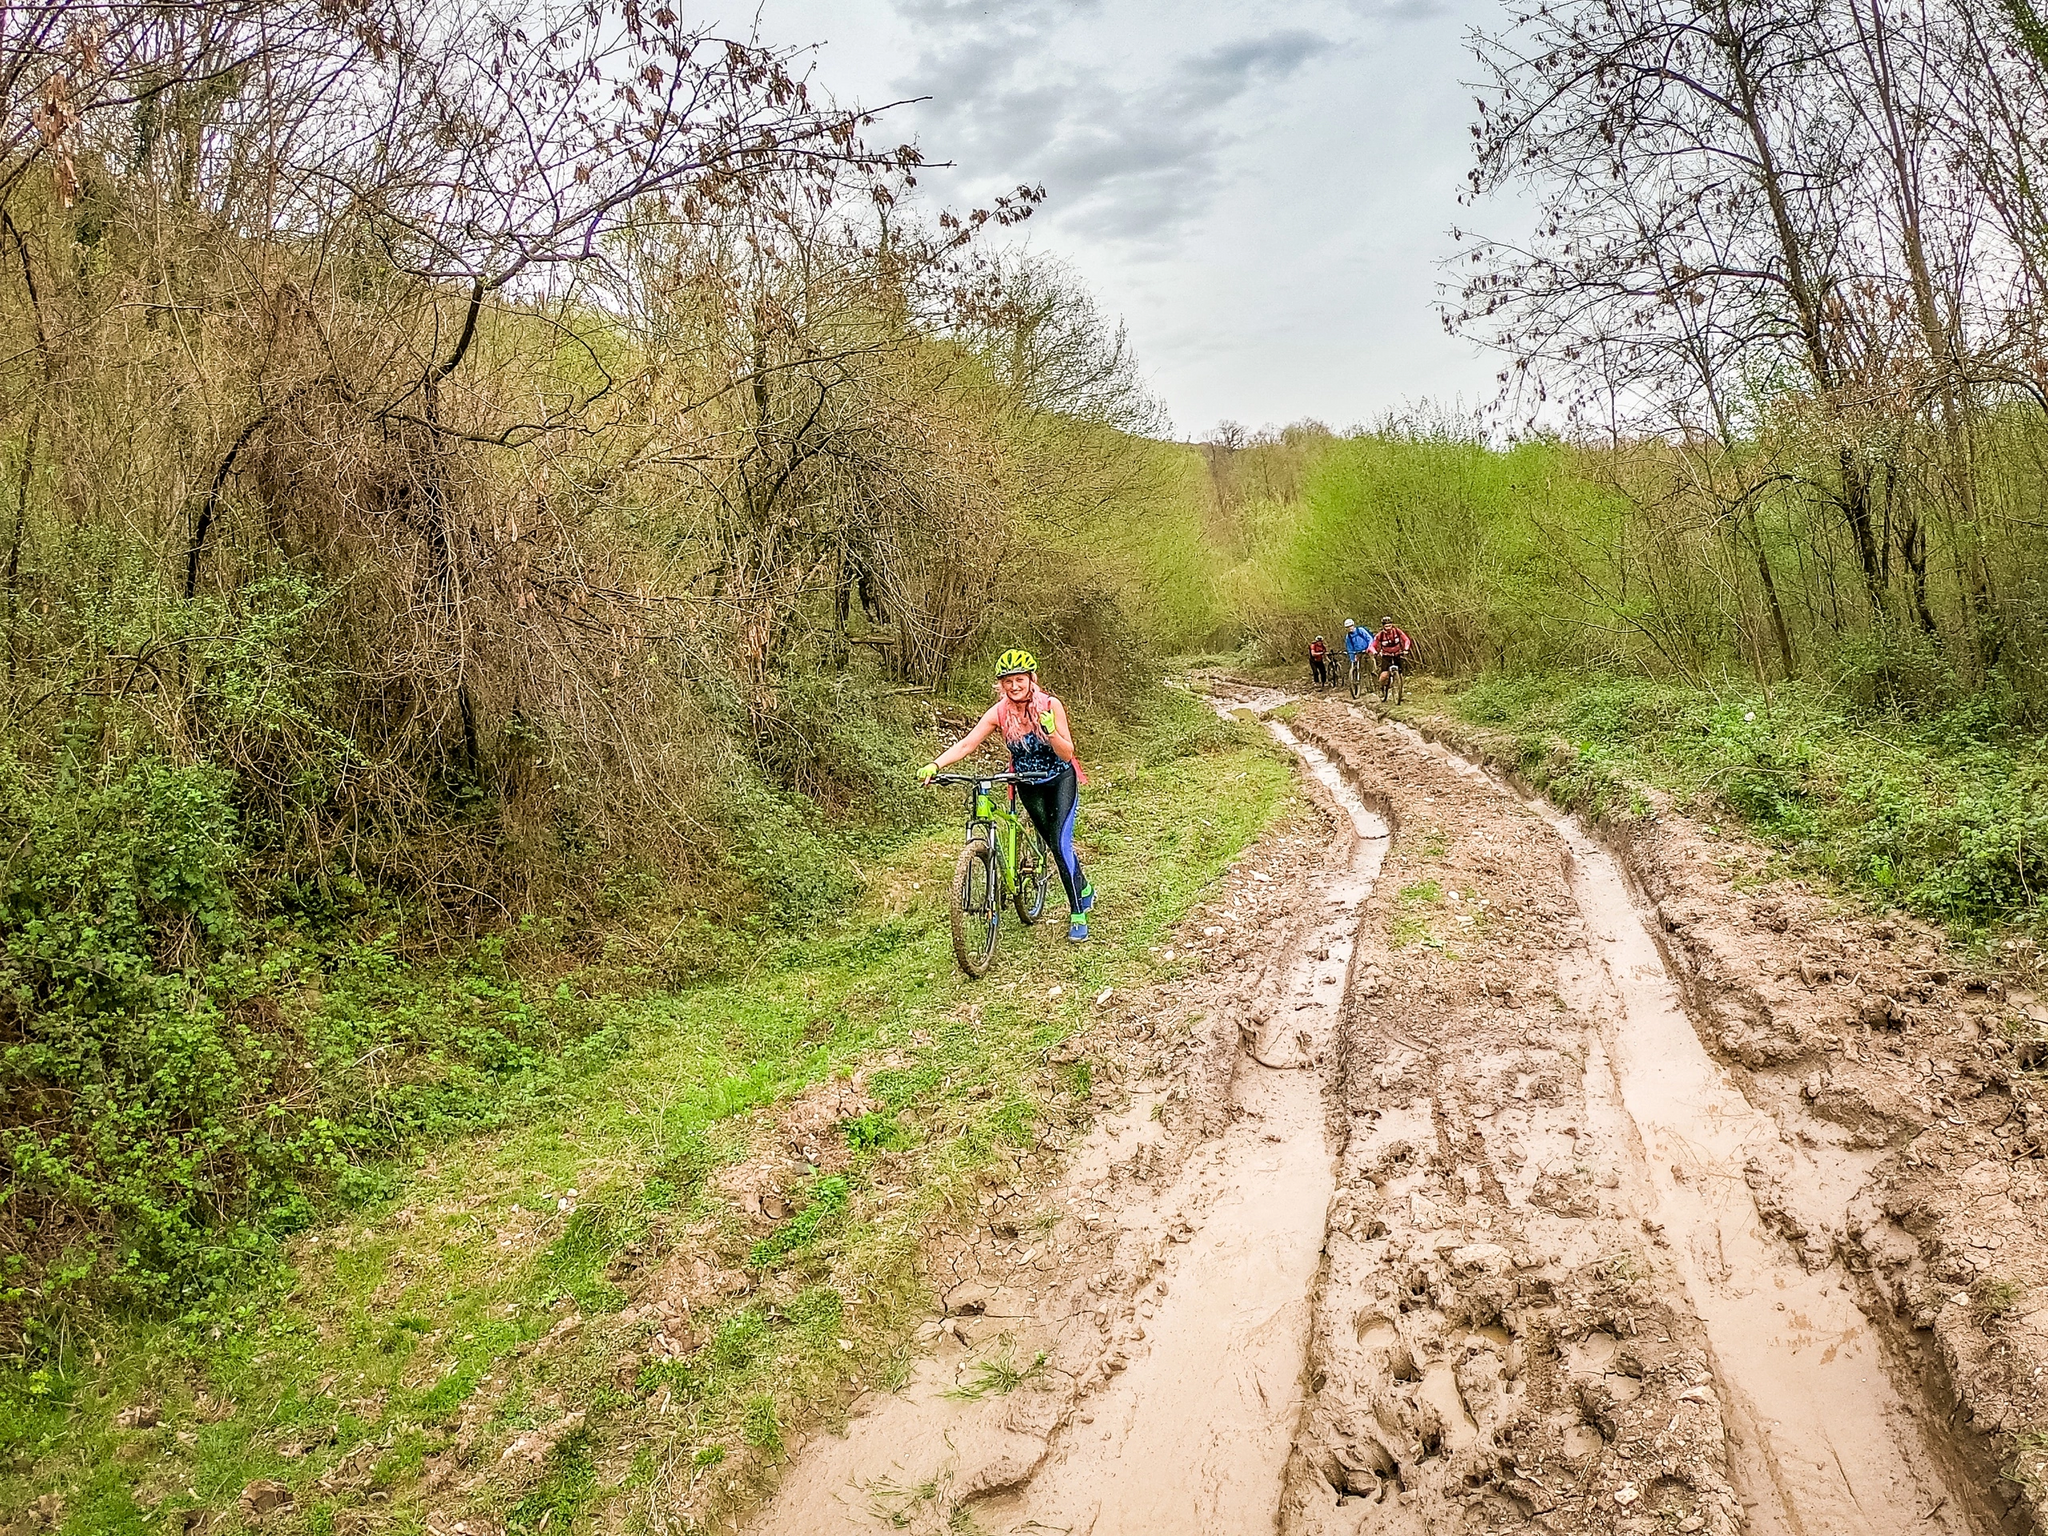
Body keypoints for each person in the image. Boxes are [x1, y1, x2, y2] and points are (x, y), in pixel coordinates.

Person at [919, 649, 1096, 942]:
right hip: (1027, 784)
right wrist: (936, 764)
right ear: (1002, 685)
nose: (1014, 686)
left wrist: (1050, 730)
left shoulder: (1051, 705)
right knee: (1052, 846)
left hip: (1059, 779)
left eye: (1019, 680)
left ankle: (1078, 911)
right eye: (1008, 681)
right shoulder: (999, 713)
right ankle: (1085, 887)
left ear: (1031, 680)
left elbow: (1067, 753)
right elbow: (967, 744)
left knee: (1059, 842)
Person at [1370, 615, 1414, 691]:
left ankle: (1399, 690)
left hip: (1397, 654)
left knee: (1400, 674)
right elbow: (1372, 646)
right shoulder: (1380, 635)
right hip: (1386, 656)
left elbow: (1406, 640)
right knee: (1384, 675)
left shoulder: (1397, 631)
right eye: (1386, 626)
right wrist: (1374, 652)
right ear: (1383, 626)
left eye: (1390, 626)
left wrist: (1406, 649)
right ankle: (1382, 688)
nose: (1388, 628)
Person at [1342, 619, 1373, 690]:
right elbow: (1350, 648)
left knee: (1372, 670)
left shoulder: (1360, 630)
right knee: (1363, 671)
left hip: (1367, 651)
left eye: (1351, 626)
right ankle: (1369, 687)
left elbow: (1369, 639)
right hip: (1358, 653)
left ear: (1353, 625)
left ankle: (1378, 687)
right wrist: (1352, 658)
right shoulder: (1348, 637)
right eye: (1348, 627)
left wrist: (1369, 648)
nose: (1350, 628)